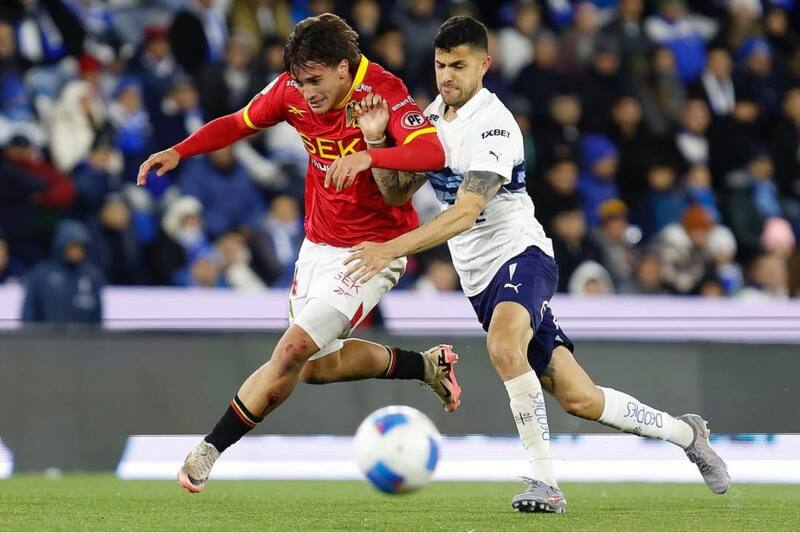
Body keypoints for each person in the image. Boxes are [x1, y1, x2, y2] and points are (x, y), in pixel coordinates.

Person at [336, 16, 730, 513]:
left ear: (485, 64)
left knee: (503, 345)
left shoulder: (495, 125)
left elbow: (465, 212)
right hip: (480, 281)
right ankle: (686, 433)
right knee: (579, 398)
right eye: (440, 65)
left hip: (522, 254)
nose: (446, 76)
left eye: (458, 65)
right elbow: (397, 193)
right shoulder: (430, 117)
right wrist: (376, 142)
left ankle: (545, 483)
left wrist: (390, 249)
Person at [137, 13, 461, 494]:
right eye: (300, 80)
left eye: (316, 80)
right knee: (313, 368)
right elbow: (238, 122)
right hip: (318, 243)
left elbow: (432, 153)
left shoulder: (383, 92)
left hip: (372, 251)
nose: (307, 92)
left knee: (290, 349)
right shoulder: (290, 89)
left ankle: (209, 448)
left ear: (344, 68)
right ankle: (426, 366)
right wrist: (181, 151)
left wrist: (371, 153)